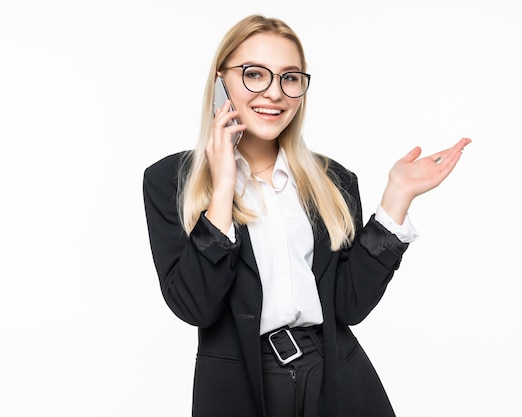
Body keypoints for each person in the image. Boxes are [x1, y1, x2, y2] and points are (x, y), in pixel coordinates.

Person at [142, 14, 471, 417]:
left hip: (335, 381)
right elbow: (195, 307)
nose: (274, 92)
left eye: (290, 77)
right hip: (241, 386)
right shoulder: (170, 181)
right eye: (254, 74)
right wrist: (223, 186)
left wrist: (396, 198)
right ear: (220, 81)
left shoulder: (333, 180)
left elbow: (349, 306)